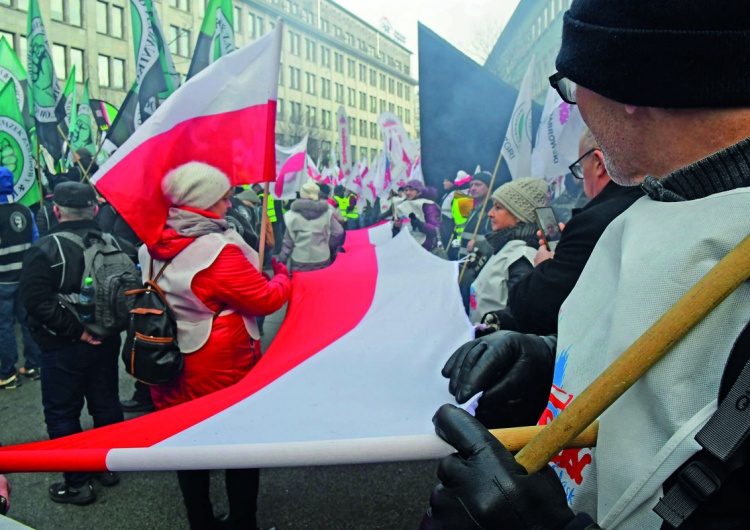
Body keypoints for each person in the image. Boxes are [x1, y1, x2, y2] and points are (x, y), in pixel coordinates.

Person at [422, 1, 750, 529]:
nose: (573, 109)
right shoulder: (654, 205)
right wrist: (545, 361)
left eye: (571, 87)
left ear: (631, 86)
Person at [145, 162, 291, 529]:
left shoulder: (151, 243)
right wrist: (285, 277)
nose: (229, 204)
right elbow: (264, 299)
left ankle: (201, 520)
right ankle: (243, 521)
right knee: (238, 443)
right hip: (220, 363)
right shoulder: (216, 251)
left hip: (168, 357)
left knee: (188, 447)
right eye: (224, 198)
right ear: (205, 201)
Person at [482, 127, 644, 336]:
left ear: (598, 163)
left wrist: (545, 265)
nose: (578, 178)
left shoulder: (592, 225)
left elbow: (535, 311)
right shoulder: (647, 201)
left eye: (580, 166)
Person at [19, 182, 124, 505]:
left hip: (62, 345)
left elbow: (35, 300)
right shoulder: (112, 242)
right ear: (94, 209)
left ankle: (77, 483)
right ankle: (108, 466)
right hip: (106, 339)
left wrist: (77, 331)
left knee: (63, 412)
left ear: (56, 210)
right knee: (105, 401)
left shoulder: (45, 248)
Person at [460, 177, 548, 323]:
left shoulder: (522, 256)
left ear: (519, 215)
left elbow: (517, 313)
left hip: (495, 342)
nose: (490, 213)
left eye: (498, 208)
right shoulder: (503, 245)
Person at [277, 179, 345, 272]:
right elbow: (338, 232)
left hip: (300, 259)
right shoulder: (327, 213)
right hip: (322, 258)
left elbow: (288, 243)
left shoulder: (291, 215)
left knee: (301, 285)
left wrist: (282, 260)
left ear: (302, 194)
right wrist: (327, 246)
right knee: (321, 285)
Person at [457, 171, 503, 259]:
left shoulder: (494, 209)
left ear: (489, 187)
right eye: (471, 185)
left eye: (478, 184)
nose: (473, 188)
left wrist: (478, 245)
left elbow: (497, 239)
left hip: (479, 264)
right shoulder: (475, 209)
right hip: (466, 263)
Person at [392, 179, 442, 252]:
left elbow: (438, 230)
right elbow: (397, 233)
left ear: (419, 191)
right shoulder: (402, 206)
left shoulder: (428, 205)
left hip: (426, 248)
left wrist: (420, 225)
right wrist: (396, 226)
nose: (408, 192)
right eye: (406, 190)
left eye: (412, 190)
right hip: (408, 248)